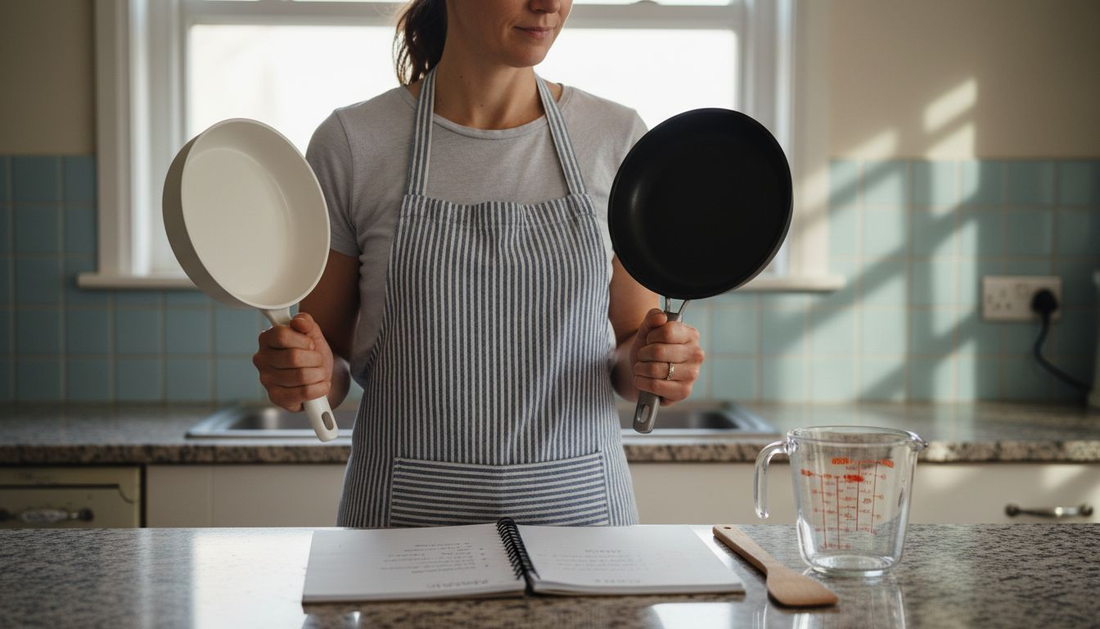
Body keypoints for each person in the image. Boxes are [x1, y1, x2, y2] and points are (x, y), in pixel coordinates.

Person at [253, 0, 705, 528]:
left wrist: (655, 365)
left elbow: (628, 351)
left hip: (583, 525)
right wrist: (303, 373)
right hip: (398, 532)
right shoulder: (352, 144)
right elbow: (328, 361)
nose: (549, 4)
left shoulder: (616, 137)